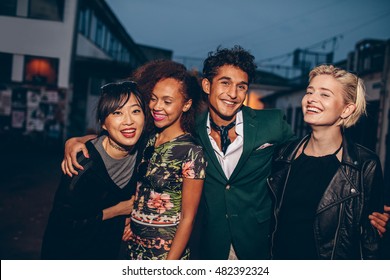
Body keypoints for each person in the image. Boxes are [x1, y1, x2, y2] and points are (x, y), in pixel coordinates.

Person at [61, 46, 388, 260]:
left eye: (242, 86)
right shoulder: (189, 129)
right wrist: (80, 139)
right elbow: (132, 134)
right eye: (225, 83)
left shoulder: (273, 125)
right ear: (206, 86)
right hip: (209, 243)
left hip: (259, 245)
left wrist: (375, 217)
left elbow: (309, 158)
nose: (233, 93)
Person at [62, 60, 206, 260]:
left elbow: (188, 219)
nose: (157, 106)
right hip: (133, 247)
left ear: (186, 104)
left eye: (167, 101)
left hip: (165, 253)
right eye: (153, 99)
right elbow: (110, 138)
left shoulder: (191, 152)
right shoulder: (147, 138)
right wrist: (75, 141)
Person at [267, 65, 387, 259]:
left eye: (325, 94)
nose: (311, 99)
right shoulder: (283, 155)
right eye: (310, 92)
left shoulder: (364, 165)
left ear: (347, 109)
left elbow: (370, 241)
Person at [41, 81, 146, 259]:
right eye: (117, 113)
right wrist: (118, 210)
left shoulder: (144, 151)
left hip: (106, 250)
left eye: (135, 111)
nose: (129, 121)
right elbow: (63, 223)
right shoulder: (82, 165)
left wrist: (128, 221)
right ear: (103, 123)